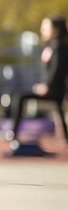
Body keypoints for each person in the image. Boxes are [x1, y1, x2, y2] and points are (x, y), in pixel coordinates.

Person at [11, 15, 68, 145]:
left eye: (46, 27)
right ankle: (66, 136)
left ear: (56, 30)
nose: (43, 30)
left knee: (20, 97)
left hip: (55, 90)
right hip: (53, 88)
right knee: (58, 109)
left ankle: (14, 134)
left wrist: (47, 86)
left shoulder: (59, 47)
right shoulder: (53, 46)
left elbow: (57, 71)